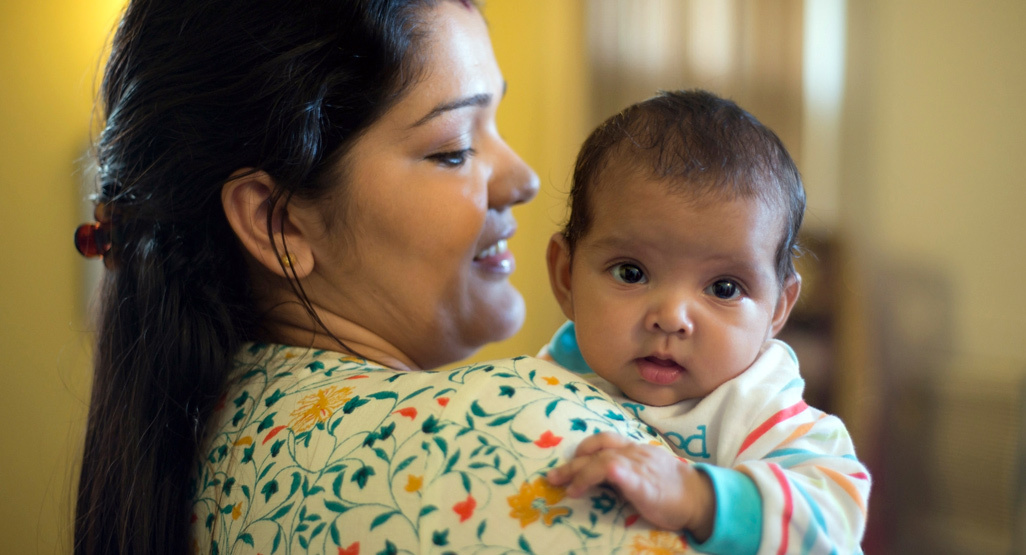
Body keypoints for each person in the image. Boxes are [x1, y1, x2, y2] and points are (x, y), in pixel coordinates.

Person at [73, 1, 698, 554]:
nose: (524, 178)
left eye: (496, 124)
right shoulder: (535, 452)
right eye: (453, 148)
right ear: (278, 221)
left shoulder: (206, 452)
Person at [540, 90, 871, 553]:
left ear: (778, 308)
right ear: (566, 277)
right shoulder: (547, 380)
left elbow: (836, 522)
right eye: (631, 273)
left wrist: (699, 498)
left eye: (724, 288)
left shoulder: (761, 410)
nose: (672, 318)